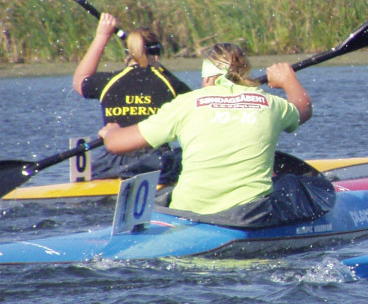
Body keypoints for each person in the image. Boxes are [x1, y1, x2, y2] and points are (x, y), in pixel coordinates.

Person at [99, 43, 331, 226]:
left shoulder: (185, 103)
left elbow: (118, 145)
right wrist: (288, 79)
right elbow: (303, 108)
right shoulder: (270, 104)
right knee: (291, 183)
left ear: (207, 78)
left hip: (188, 211)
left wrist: (111, 132)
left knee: (168, 189)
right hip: (246, 216)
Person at [73, 13, 191, 181]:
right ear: (156, 55)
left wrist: (102, 36)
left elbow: (79, 80)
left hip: (113, 161)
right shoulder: (172, 85)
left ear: (128, 55)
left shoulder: (109, 81)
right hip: (157, 162)